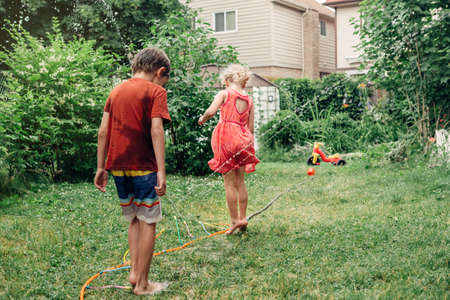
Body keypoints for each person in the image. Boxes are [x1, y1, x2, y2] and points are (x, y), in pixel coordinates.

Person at [94, 47, 171, 295]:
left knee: (135, 218)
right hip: (144, 166)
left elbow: (102, 131)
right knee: (149, 221)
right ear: (161, 72)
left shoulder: (115, 91)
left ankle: (134, 273)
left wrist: (100, 167)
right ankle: (143, 285)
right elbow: (156, 131)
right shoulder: (156, 91)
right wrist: (161, 171)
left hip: (118, 167)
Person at [198, 64, 260, 235]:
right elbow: (251, 127)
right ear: (243, 82)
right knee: (240, 181)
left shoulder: (224, 93)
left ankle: (234, 221)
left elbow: (211, 111)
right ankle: (243, 217)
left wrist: (202, 118)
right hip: (243, 139)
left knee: (229, 183)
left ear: (227, 80)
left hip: (226, 138)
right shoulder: (249, 100)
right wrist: (249, 144)